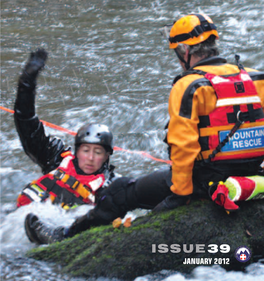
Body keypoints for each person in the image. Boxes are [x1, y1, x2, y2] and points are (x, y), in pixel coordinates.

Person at [25, 13, 264, 244]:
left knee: (120, 190)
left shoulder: (189, 85)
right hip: (252, 176)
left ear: (186, 51)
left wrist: (179, 195)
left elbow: (183, 146)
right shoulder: (255, 78)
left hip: (205, 182)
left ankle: (64, 236)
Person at [15, 49, 116, 213]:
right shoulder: (55, 158)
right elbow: (27, 127)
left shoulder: (111, 187)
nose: (90, 158)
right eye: (85, 150)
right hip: (18, 223)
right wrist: (26, 83)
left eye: (98, 152)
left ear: (106, 157)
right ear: (76, 151)